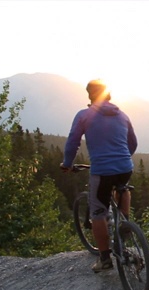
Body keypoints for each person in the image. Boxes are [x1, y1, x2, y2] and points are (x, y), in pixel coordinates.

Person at [61, 79, 138, 272]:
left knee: (98, 212)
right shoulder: (122, 115)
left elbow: (73, 142)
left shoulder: (84, 115)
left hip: (102, 171)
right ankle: (124, 224)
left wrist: (67, 164)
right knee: (123, 187)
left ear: (90, 95)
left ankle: (104, 259)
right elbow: (133, 143)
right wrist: (121, 157)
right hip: (125, 166)